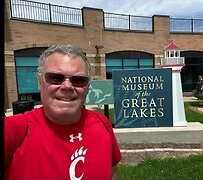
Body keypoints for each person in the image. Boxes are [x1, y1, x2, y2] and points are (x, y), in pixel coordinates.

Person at [4, 44, 122, 180]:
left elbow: (112, 174)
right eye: (55, 78)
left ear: (88, 87)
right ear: (39, 83)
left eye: (78, 80)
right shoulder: (13, 130)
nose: (67, 86)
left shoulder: (102, 124)